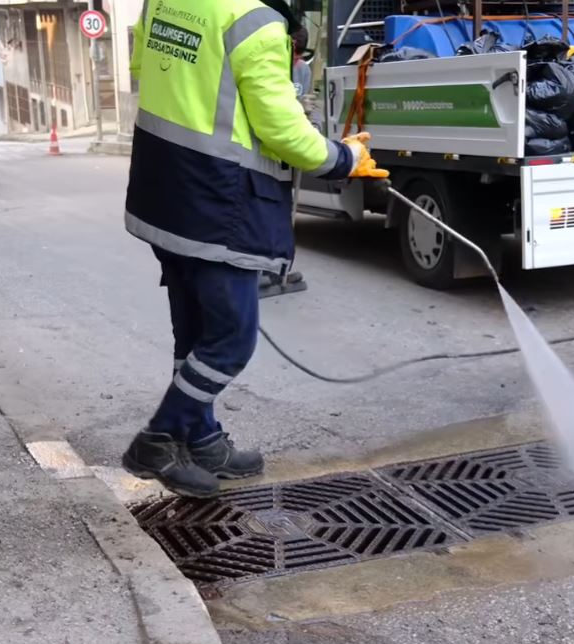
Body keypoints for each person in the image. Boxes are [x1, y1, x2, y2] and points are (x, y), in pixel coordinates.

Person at [121, 0, 387, 497]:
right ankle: (157, 439)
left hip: (165, 191)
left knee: (196, 331)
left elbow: (145, 69)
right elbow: (283, 132)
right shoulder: (255, 21)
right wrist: (344, 157)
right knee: (231, 338)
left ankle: (201, 437)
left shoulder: (164, 2)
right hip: (220, 201)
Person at [291, 26, 312, 99]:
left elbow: (304, 97)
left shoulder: (304, 69)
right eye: (291, 58)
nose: (293, 62)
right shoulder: (272, 68)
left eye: (297, 59)